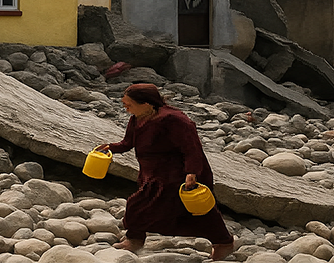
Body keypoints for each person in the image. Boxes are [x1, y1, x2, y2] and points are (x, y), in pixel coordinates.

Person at [98, 83, 238, 259]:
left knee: (198, 212)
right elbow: (127, 143)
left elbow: (191, 148)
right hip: (152, 174)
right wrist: (110, 148)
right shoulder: (137, 118)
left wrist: (192, 172)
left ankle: (224, 243)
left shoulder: (174, 120)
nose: (126, 108)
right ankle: (134, 239)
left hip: (179, 174)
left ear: (146, 104)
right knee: (138, 205)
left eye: (129, 104)